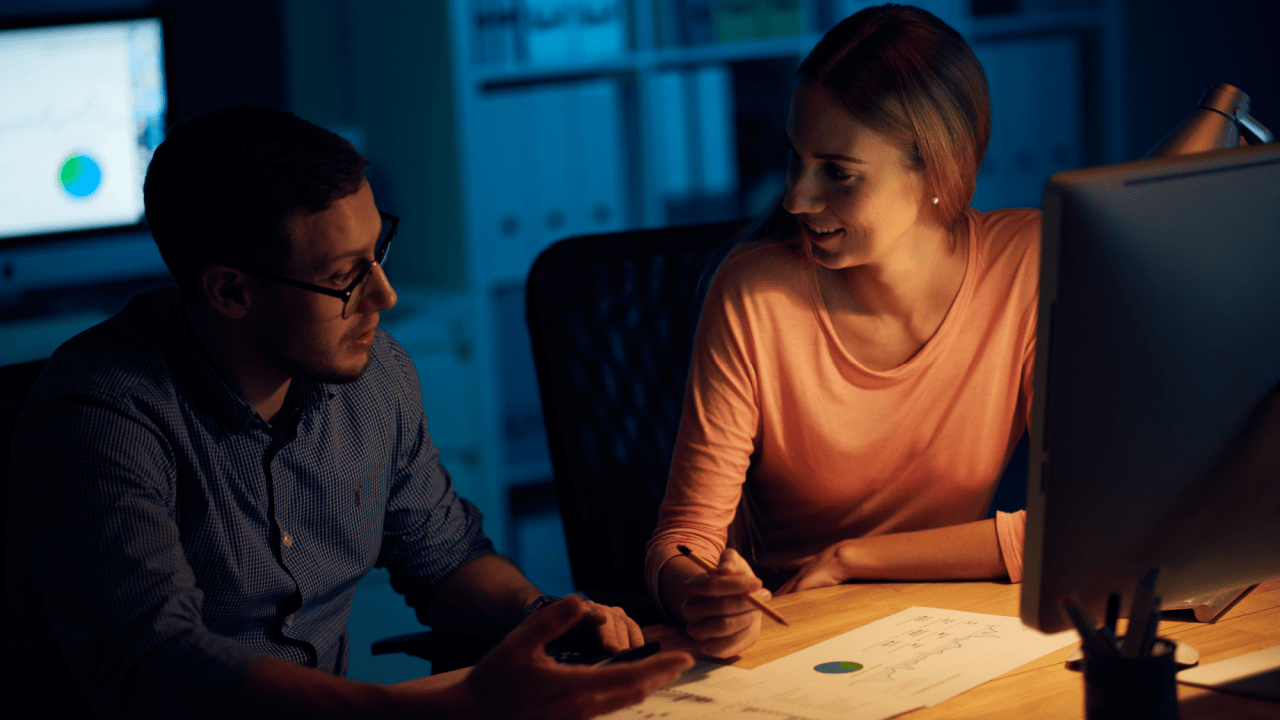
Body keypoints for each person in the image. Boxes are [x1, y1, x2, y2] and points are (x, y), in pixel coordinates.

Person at [11, 106, 691, 719]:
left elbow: (444, 556)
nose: (385, 296)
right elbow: (159, 661)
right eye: (344, 276)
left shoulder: (375, 374)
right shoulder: (99, 415)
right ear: (229, 292)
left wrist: (542, 617)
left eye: (378, 254)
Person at [647, 4, 1040, 658]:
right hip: (795, 640)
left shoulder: (1026, 263)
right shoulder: (754, 295)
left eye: (838, 172)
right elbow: (682, 539)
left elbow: (1078, 530)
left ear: (936, 168)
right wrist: (702, 595)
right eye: (795, 159)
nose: (797, 198)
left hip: (951, 631)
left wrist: (855, 558)